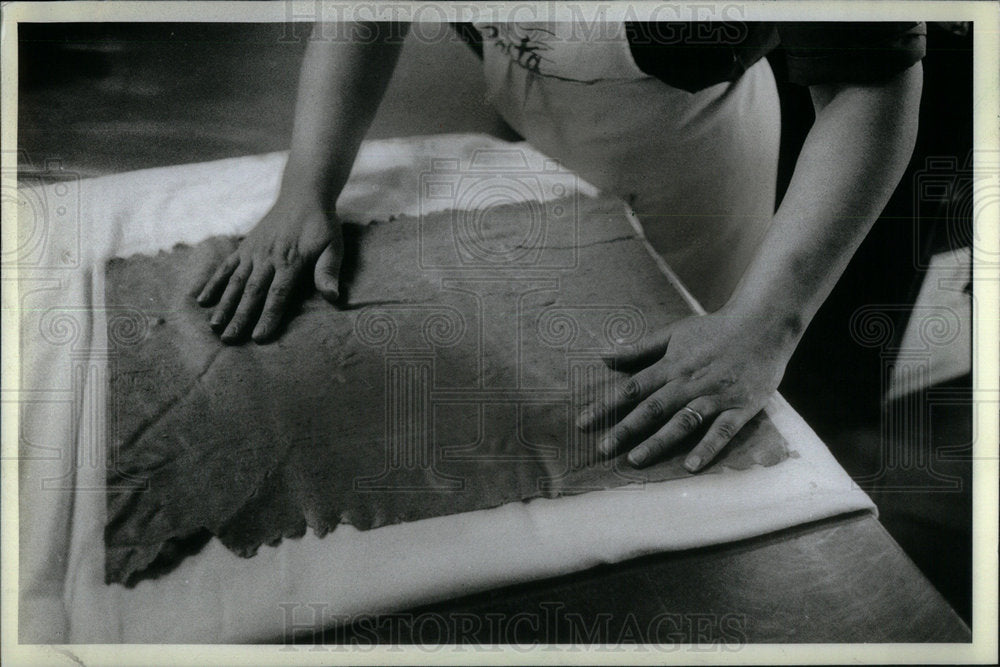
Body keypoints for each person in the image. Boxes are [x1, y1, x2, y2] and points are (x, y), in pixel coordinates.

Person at [195, 19, 925, 473]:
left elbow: (871, 86)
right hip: (530, 118)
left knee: (657, 423)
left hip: (688, 163)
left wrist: (766, 324)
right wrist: (306, 186)